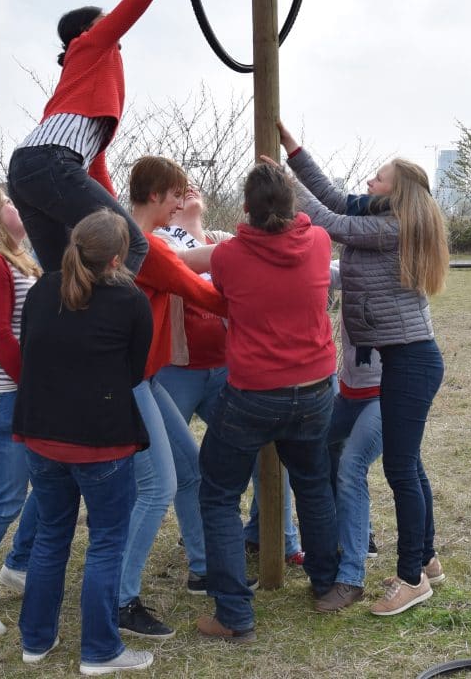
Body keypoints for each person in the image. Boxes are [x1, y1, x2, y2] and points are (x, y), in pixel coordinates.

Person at [278, 122, 448, 616]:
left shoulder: (394, 227)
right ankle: (427, 559)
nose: (369, 182)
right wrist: (293, 150)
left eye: (378, 178)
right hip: (400, 358)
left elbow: (331, 221)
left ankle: (412, 578)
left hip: (411, 360)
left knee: (399, 468)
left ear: (397, 193)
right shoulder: (383, 212)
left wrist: (283, 188)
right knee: (409, 463)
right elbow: (333, 197)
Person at [7, 0, 198, 275]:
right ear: (88, 30)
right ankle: (115, 311)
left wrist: (118, 210)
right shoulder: (92, 45)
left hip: (27, 169)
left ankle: (66, 314)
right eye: (106, 20)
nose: (115, 26)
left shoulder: (80, 86)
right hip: (51, 162)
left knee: (63, 273)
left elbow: (94, 167)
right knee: (132, 244)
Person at [197, 163, 338, 643]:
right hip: (314, 387)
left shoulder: (229, 256)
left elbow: (220, 291)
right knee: (314, 485)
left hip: (253, 394)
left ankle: (234, 615)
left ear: (245, 208)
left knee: (219, 494)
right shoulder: (319, 242)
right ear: (293, 203)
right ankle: (326, 584)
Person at [12, 210, 154, 674]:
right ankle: (100, 651)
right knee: (107, 543)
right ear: (116, 259)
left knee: (51, 536)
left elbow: (29, 349)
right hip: (101, 443)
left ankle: (35, 640)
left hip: (42, 436)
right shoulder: (130, 300)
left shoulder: (42, 290)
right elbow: (134, 372)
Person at [155, 182, 305, 564]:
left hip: (225, 367)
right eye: (178, 189)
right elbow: (178, 267)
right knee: (185, 467)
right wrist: (243, 254)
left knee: (266, 450)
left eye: (192, 186)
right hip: (176, 370)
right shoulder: (158, 241)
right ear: (167, 204)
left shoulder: (221, 239)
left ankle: (274, 538)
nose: (188, 190)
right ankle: (203, 558)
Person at [118, 156, 235, 641]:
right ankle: (120, 599)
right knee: (157, 487)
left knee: (190, 469)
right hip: (127, 381)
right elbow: (205, 295)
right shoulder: (147, 248)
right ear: (154, 196)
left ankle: (203, 569)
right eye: (174, 194)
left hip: (146, 379)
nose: (179, 203)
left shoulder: (133, 236)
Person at [0, 188, 41, 638]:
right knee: (2, 502)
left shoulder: (18, 258)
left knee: (48, 483)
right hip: (5, 395)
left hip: (18, 394)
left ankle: (19, 566)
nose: (16, 205)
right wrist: (34, 384)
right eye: (7, 202)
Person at [315, 261, 383, 612]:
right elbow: (319, 268)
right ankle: (351, 536)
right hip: (350, 394)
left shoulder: (393, 265)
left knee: (351, 466)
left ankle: (352, 577)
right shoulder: (351, 267)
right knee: (319, 447)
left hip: (386, 392)